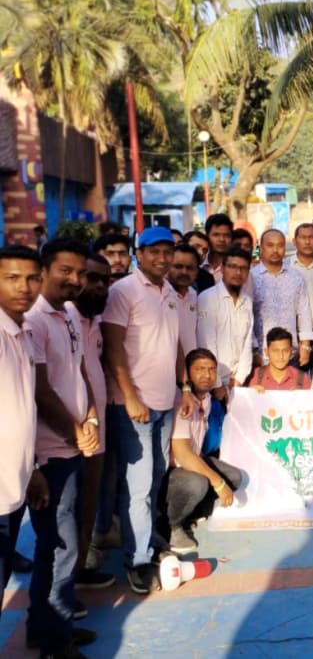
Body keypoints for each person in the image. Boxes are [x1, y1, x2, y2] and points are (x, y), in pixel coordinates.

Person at [102, 226, 193, 594]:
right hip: (133, 407)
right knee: (137, 487)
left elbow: (176, 345)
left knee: (155, 479)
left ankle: (147, 541)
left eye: (167, 251)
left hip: (164, 403)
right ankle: (137, 559)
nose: (162, 258)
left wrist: (184, 387)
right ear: (138, 254)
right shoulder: (123, 291)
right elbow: (113, 347)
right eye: (154, 251)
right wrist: (130, 397)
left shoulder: (169, 292)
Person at [25, 239, 100, 653]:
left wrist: (90, 418)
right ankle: (54, 638)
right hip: (50, 452)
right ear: (44, 270)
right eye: (65, 271)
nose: (75, 280)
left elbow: (80, 371)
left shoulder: (70, 312)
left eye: (80, 273)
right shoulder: (34, 320)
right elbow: (40, 391)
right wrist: (75, 431)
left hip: (73, 446)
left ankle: (51, 626)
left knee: (58, 545)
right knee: (59, 546)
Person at [162, 349, 242, 554]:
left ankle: (188, 515)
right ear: (187, 372)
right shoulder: (180, 400)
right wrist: (217, 482)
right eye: (199, 369)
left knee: (234, 477)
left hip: (194, 459)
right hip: (174, 470)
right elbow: (182, 454)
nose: (207, 375)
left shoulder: (207, 399)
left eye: (212, 370)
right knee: (198, 483)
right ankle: (170, 525)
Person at [0, 246, 41, 622]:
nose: (23, 287)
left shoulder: (25, 332)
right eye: (11, 278)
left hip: (14, 486)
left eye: (31, 278)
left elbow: (22, 410)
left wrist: (33, 469)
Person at [71, 255, 116, 590]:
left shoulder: (95, 321)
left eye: (105, 280)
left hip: (97, 427)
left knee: (88, 502)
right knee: (66, 510)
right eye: (92, 277)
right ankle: (61, 584)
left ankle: (81, 566)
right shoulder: (65, 318)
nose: (99, 286)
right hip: (70, 432)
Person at [251, 229, 313, 368]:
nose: (275, 250)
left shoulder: (296, 277)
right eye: (270, 245)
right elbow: (247, 318)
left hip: (290, 354)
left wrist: (306, 345)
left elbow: (304, 313)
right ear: (261, 248)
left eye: (280, 245)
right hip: (261, 355)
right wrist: (254, 352)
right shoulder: (251, 278)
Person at [197, 247, 253, 398]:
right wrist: (216, 384)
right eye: (232, 266)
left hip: (237, 382)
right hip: (212, 382)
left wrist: (240, 378)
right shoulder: (207, 298)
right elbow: (206, 344)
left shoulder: (247, 301)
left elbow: (247, 344)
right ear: (222, 268)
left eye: (243, 268)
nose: (238, 272)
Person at [288, 223, 313, 372]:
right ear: (295, 241)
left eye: (311, 237)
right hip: (294, 335)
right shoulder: (286, 267)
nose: (307, 241)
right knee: (297, 381)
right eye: (303, 237)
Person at [168, 244, 199, 356]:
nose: (184, 272)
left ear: (197, 271)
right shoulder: (161, 295)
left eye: (190, 268)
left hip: (192, 362)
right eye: (178, 267)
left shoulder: (195, 296)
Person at [200, 214, 233, 288]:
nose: (222, 239)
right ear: (207, 236)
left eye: (226, 235)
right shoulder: (199, 265)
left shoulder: (237, 269)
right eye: (216, 235)